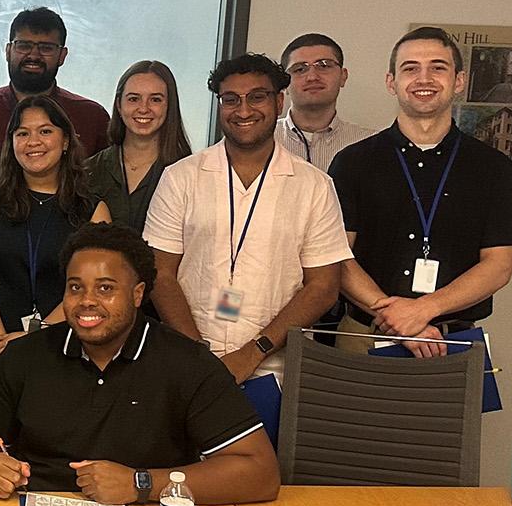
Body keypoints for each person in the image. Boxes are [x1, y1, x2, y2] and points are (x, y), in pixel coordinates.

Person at [0, 222, 279, 504]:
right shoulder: (26, 356)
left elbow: (260, 473)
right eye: (75, 287)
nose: (87, 301)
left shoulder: (188, 363)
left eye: (105, 288)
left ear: (137, 294)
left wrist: (142, 484)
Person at [144, 54, 351, 383]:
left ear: (279, 101)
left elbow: (324, 287)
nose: (243, 111)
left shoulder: (314, 186)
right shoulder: (180, 178)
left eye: (257, 97)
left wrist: (254, 351)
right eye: (231, 100)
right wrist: (197, 352)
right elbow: (159, 273)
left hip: (274, 365)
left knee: (268, 436)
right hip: (188, 359)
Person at [328, 27, 512, 356]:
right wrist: (395, 318)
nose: (424, 78)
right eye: (410, 68)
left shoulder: (493, 167)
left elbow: (499, 265)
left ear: (458, 81)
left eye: (438, 67)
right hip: (364, 333)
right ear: (391, 82)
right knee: (355, 411)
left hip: (452, 343)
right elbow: (336, 256)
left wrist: (422, 310)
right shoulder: (353, 163)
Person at [0, 95, 93, 403]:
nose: (34, 141)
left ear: (65, 142)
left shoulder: (92, 209)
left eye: (45, 131)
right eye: (22, 133)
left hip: (59, 349)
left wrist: (35, 339)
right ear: (12, 144)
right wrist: (0, 343)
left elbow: (86, 290)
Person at [0, 6, 111, 186]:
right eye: (24, 46)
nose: (34, 55)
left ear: (62, 56)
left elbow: (112, 185)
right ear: (8, 50)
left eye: (46, 48)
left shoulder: (92, 116)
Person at [86, 60, 192, 232]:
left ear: (169, 106)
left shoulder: (188, 173)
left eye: (155, 99)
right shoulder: (87, 172)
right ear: (119, 105)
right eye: (134, 99)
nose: (144, 108)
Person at [276, 33, 374, 170]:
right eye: (299, 69)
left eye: (324, 66)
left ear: (343, 76)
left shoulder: (370, 144)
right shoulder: (262, 140)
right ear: (285, 82)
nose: (312, 77)